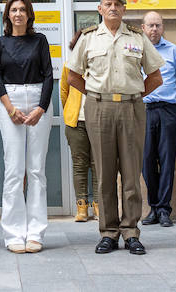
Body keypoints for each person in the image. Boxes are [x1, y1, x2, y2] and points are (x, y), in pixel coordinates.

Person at [64, 0, 163, 255]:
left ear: (124, 10)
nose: (113, 9)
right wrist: (97, 95)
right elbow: (72, 75)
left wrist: (134, 93)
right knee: (104, 173)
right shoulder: (88, 38)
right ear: (100, 9)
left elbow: (156, 76)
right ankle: (108, 232)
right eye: (108, 4)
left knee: (131, 173)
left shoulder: (137, 38)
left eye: (117, 5)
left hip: (131, 108)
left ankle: (131, 231)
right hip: (99, 108)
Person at [0, 0, 53, 254]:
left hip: (38, 98)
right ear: (8, 15)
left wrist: (41, 107)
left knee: (37, 170)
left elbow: (50, 74)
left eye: (22, 10)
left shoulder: (40, 41)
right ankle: (14, 233)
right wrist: (9, 107)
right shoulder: (0, 42)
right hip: (11, 100)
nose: (18, 14)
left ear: (29, 14)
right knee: (14, 169)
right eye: (13, 10)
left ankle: (36, 232)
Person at [141, 11, 176, 228]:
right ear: (143, 28)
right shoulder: (136, 50)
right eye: (150, 25)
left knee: (167, 161)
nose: (154, 29)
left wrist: (164, 95)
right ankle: (153, 207)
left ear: (163, 27)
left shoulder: (173, 51)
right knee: (146, 161)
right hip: (144, 111)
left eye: (157, 25)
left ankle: (164, 209)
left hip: (168, 110)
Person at [60, 30, 96, 222]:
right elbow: (64, 93)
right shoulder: (68, 66)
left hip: (97, 121)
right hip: (76, 122)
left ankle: (99, 205)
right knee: (80, 165)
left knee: (99, 164)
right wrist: (70, 113)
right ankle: (82, 207)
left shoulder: (98, 65)